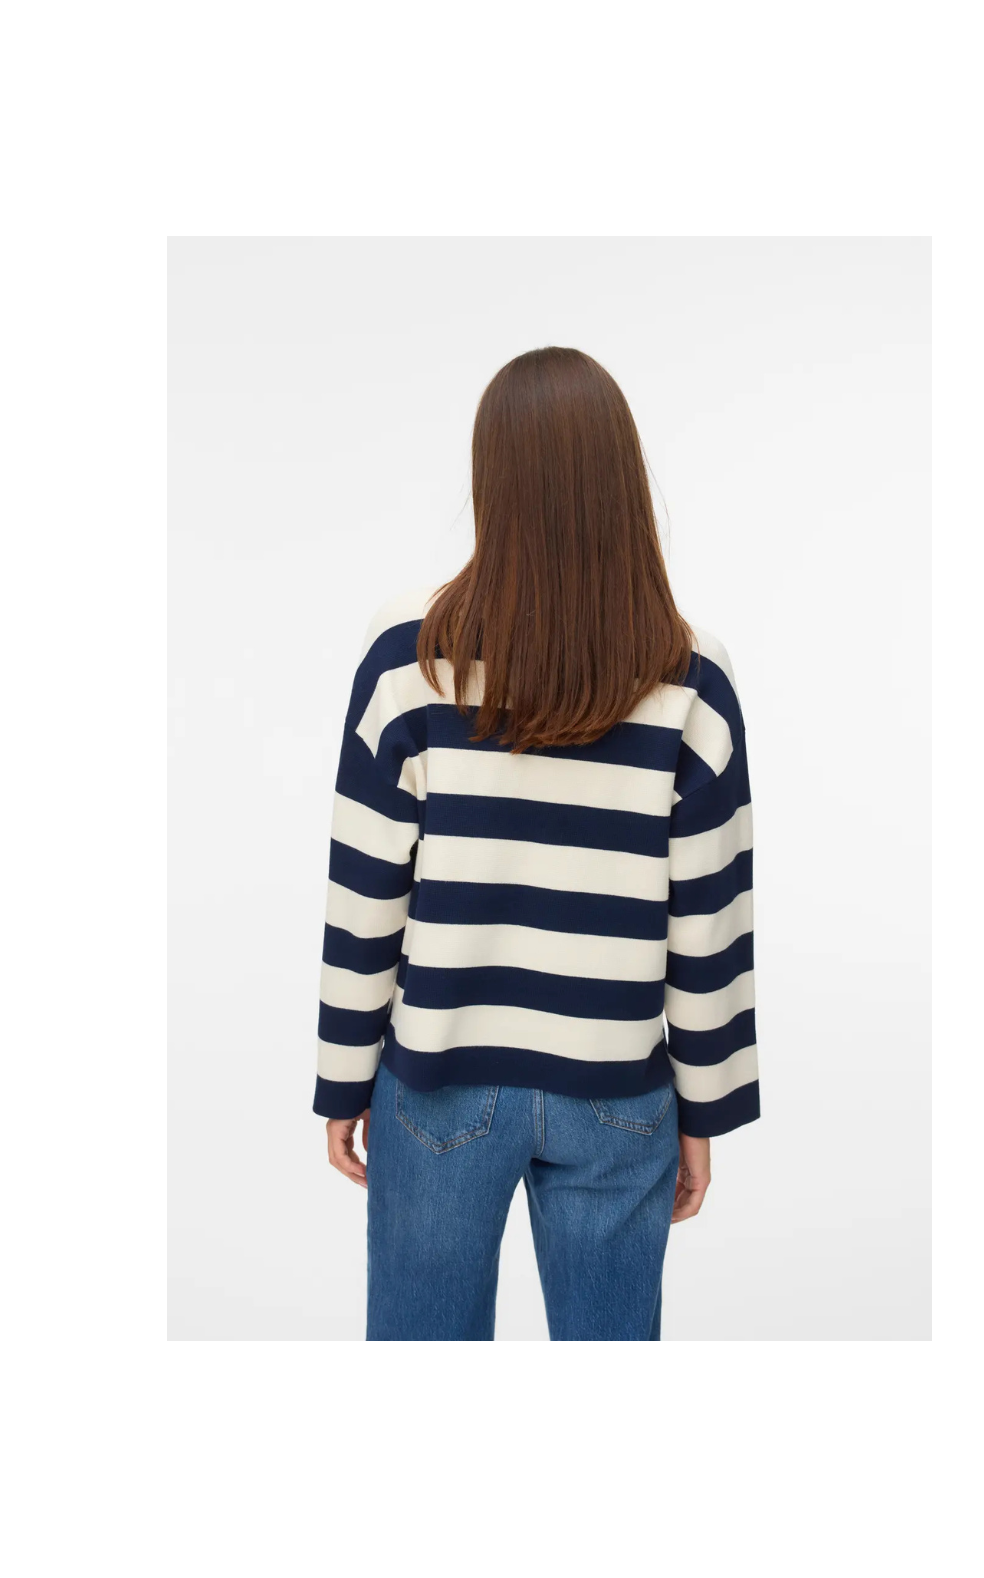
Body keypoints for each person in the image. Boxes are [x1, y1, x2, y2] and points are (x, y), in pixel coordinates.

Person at [313, 346, 758, 1341]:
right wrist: (703, 1111)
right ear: (620, 480)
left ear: (490, 478)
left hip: (439, 1085)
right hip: (619, 1091)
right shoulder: (691, 676)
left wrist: (343, 1076)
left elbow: (365, 891)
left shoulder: (409, 655)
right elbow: (709, 923)